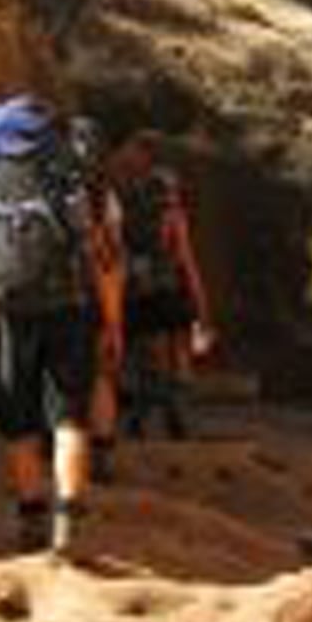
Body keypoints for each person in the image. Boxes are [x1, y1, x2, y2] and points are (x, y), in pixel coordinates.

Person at [0, 96, 100, 555]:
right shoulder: (64, 166)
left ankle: (31, 517)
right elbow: (90, 242)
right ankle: (70, 526)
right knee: (69, 416)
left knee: (18, 419)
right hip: (68, 303)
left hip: (5, 310)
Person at [114, 131, 213, 442]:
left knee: (144, 358)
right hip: (167, 287)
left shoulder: (123, 208)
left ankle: (139, 419)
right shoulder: (171, 216)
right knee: (176, 356)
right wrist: (202, 304)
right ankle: (173, 416)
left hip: (134, 288)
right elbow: (185, 259)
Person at [70, 117, 127, 485]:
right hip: (90, 294)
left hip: (46, 294)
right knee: (101, 374)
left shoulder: (43, 184)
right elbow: (112, 259)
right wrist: (114, 320)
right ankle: (102, 453)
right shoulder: (102, 196)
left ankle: (60, 450)